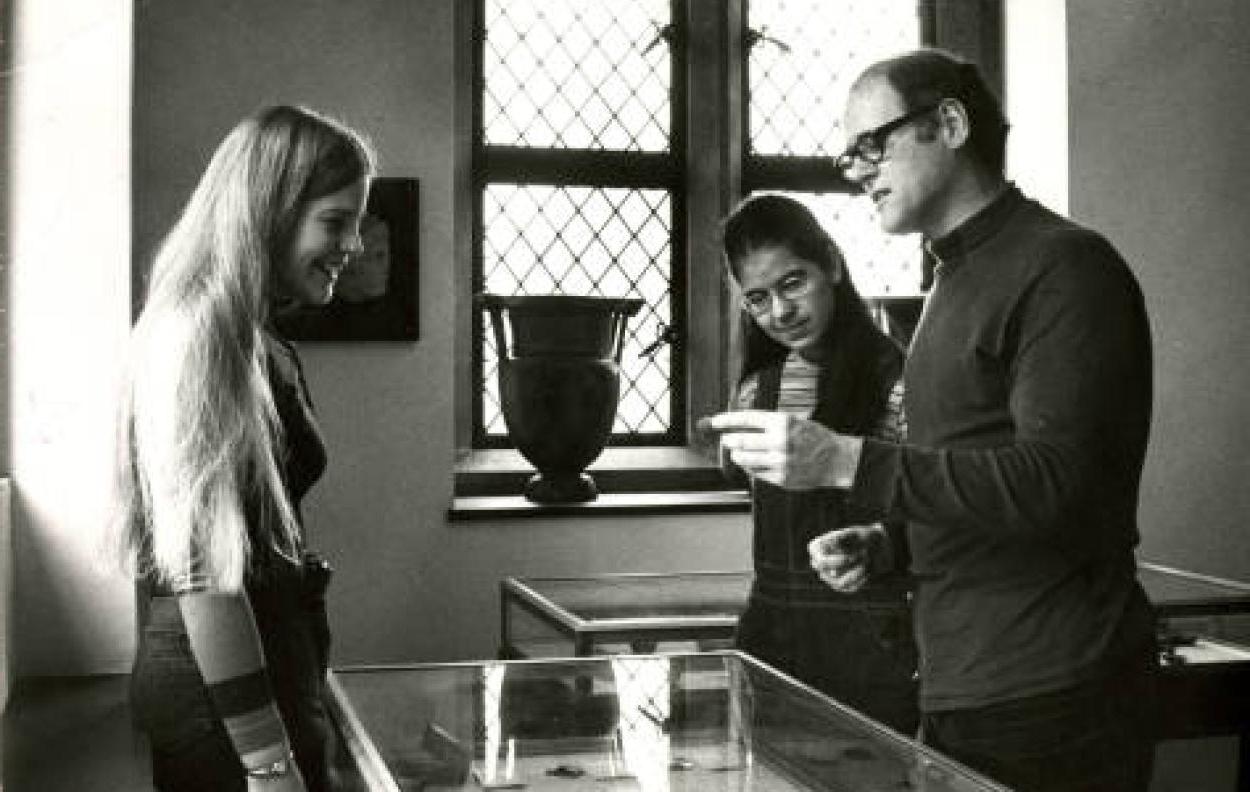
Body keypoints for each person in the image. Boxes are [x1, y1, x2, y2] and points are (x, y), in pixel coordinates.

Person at [701, 49, 1157, 792]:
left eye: (871, 145)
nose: (855, 170)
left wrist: (847, 461)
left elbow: (1062, 484)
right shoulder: (951, 278)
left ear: (948, 123)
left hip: (1055, 692)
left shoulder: (1067, 267)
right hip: (960, 687)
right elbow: (972, 468)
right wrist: (890, 543)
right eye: (848, 154)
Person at [109, 105, 374, 792]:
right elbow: (206, 579)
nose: (357, 245)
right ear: (272, 210)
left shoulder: (253, 339)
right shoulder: (194, 336)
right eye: (336, 221)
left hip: (260, 678)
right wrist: (268, 762)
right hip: (220, 707)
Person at [717, 193, 918, 735]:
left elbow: (932, 508)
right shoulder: (756, 388)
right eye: (758, 299)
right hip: (769, 639)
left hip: (869, 644)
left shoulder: (896, 380)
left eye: (792, 283)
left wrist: (883, 544)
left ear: (831, 263)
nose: (780, 313)